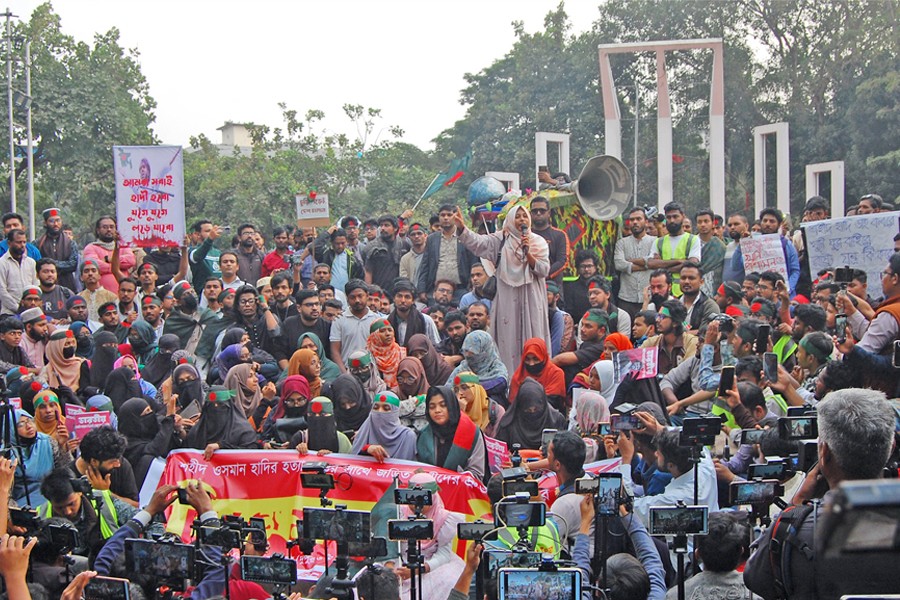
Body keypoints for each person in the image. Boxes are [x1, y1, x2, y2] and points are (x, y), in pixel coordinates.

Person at [744, 388, 895, 599]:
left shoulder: (789, 531)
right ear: (891, 447)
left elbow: (756, 579)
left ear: (823, 453)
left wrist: (795, 505)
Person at [453, 203, 551, 375]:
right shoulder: (500, 239)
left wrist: (527, 253)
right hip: (507, 296)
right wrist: (462, 229)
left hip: (532, 297)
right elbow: (478, 243)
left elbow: (544, 270)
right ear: (511, 220)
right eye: (517, 216)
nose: (521, 219)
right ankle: (508, 379)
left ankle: (535, 377)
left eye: (524, 216)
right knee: (508, 338)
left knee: (533, 336)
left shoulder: (538, 242)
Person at [396, 473, 466, 599]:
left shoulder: (444, 518)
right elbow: (392, 548)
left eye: (423, 499)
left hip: (431, 567)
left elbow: (443, 554)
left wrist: (419, 570)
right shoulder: (398, 513)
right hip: (401, 564)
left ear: (432, 498)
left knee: (450, 581)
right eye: (413, 498)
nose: (417, 504)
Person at [417, 385, 486, 480]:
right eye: (432, 407)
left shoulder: (472, 432)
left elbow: (477, 474)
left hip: (463, 492)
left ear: (451, 405)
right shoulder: (424, 435)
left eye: (443, 405)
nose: (437, 410)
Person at [116, 395, 180, 489]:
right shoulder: (127, 445)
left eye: (150, 410)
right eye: (146, 412)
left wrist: (178, 429)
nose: (151, 414)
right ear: (134, 420)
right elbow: (155, 448)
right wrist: (169, 419)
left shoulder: (153, 427)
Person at [11, 409, 69, 507]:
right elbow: (5, 492)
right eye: (21, 424)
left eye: (30, 421)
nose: (29, 426)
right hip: (22, 505)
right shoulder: (7, 454)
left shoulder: (47, 442)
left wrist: (62, 446)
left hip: (51, 498)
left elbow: (65, 472)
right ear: (11, 429)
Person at [417, 204, 476, 302]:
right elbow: (425, 265)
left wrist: (472, 286)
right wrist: (421, 290)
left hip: (460, 289)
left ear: (455, 216)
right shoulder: (432, 239)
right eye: (442, 215)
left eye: (449, 215)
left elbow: (473, 262)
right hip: (436, 290)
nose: (446, 218)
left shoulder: (465, 236)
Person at [185, 387, 261, 458]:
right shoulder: (196, 433)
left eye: (221, 405)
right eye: (212, 406)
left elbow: (250, 455)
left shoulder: (243, 431)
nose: (216, 408)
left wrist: (221, 446)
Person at [495, 377, 566, 451]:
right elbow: (500, 453)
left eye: (536, 409)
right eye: (528, 410)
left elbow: (562, 452)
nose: (533, 412)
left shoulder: (556, 420)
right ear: (520, 406)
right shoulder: (508, 424)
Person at [647, 202, 701, 297]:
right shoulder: (659, 242)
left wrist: (662, 266)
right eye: (668, 217)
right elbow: (651, 264)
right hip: (663, 294)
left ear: (683, 216)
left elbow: (693, 264)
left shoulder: (693, 240)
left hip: (685, 293)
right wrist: (680, 261)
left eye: (675, 216)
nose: (672, 220)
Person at [615, 207, 658, 319]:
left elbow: (655, 261)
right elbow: (619, 264)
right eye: (632, 219)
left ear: (646, 222)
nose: (635, 222)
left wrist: (630, 262)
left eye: (638, 219)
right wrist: (646, 265)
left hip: (649, 298)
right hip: (626, 298)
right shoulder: (621, 243)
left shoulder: (655, 241)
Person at [350, 390, 417, 462]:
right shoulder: (363, 433)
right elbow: (352, 464)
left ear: (395, 413)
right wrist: (366, 449)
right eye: (375, 408)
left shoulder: (407, 436)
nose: (380, 411)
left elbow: (409, 468)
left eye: (386, 408)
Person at [330, 279, 380, 369]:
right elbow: (335, 351)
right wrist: (344, 373)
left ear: (367, 296)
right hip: (348, 370)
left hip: (372, 372)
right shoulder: (339, 320)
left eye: (360, 296)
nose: (357, 300)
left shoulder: (376, 320)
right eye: (353, 297)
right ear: (347, 298)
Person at [509, 337, 566, 410]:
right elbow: (513, 405)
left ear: (544, 358)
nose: (531, 364)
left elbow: (554, 401)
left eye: (536, 359)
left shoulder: (555, 374)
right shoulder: (518, 376)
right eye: (527, 359)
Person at [82, 216, 135, 293]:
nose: (109, 229)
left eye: (112, 227)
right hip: (101, 295)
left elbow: (131, 261)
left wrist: (108, 259)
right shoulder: (91, 248)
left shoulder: (122, 245)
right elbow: (95, 266)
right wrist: (116, 268)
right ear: (98, 230)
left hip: (124, 294)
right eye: (105, 227)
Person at [35, 208, 79, 291]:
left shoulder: (71, 243)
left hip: (67, 285)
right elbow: (36, 264)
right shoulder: (38, 243)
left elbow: (73, 264)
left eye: (58, 220)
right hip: (44, 286)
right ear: (45, 223)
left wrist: (51, 264)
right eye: (51, 221)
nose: (56, 224)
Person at [365, 214, 411, 292]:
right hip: (378, 290)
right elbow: (368, 271)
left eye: (386, 225)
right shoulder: (372, 246)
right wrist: (369, 291)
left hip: (398, 290)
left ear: (395, 228)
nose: (383, 228)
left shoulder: (404, 245)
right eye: (381, 225)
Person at [452, 372, 504, 438]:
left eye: (464, 388)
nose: (460, 393)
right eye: (456, 390)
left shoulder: (496, 411)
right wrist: (461, 413)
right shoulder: (453, 411)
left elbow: (497, 442)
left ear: (476, 389)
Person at [0, 229, 39, 315]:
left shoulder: (31, 262)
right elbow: (2, 291)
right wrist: (17, 308)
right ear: (9, 243)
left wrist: (31, 305)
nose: (22, 245)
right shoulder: (2, 263)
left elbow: (36, 285)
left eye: (24, 242)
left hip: (31, 311)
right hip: (9, 313)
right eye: (18, 242)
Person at [41, 330, 89, 397]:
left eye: (73, 342)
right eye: (67, 344)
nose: (71, 346)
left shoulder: (82, 364)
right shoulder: (48, 370)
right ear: (56, 347)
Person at [366, 319, 405, 388]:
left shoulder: (401, 352)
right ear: (374, 335)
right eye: (382, 331)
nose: (388, 334)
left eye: (390, 330)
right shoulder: (367, 356)